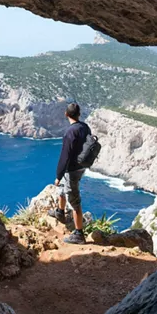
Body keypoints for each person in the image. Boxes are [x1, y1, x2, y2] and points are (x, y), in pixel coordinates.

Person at [49, 102, 91, 244]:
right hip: (81, 166)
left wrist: (58, 175)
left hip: (71, 169)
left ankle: (79, 234)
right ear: (79, 114)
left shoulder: (70, 132)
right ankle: (60, 212)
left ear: (66, 114)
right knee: (63, 188)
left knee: (74, 200)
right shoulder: (85, 127)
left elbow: (65, 156)